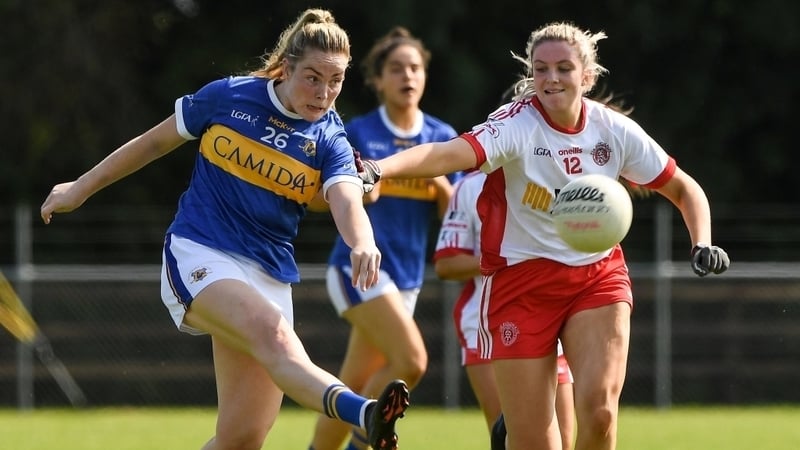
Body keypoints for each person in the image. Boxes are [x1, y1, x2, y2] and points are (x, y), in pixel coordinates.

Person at [39, 8, 410, 450]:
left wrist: (362, 240)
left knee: (241, 439)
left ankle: (362, 414)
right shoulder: (229, 97)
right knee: (274, 337)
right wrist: (80, 188)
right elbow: (153, 142)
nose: (324, 93)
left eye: (335, 81)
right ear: (287, 68)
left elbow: (346, 198)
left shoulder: (330, 137)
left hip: (269, 274)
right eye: (312, 77)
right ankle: (364, 413)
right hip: (202, 250)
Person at [356, 21, 730, 450]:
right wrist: (378, 168)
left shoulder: (612, 130)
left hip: (597, 277)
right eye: (541, 69)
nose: (551, 78)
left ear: (587, 77)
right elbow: (446, 154)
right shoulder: (515, 125)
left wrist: (702, 242)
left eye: (564, 68)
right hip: (521, 285)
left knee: (601, 412)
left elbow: (684, 188)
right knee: (537, 443)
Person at [307, 26, 459, 450]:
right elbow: (331, 196)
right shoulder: (358, 131)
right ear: (377, 80)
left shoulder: (442, 138)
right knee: (412, 361)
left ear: (425, 76)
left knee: (351, 385)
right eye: (396, 69)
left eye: (415, 68)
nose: (407, 76)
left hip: (406, 281)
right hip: (359, 270)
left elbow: (460, 220)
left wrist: (446, 191)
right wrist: (363, 188)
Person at [433, 170, 575, 450]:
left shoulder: (552, 173)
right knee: (513, 436)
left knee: (565, 442)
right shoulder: (469, 188)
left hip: (550, 319)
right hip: (487, 325)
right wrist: (508, 258)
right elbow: (446, 264)